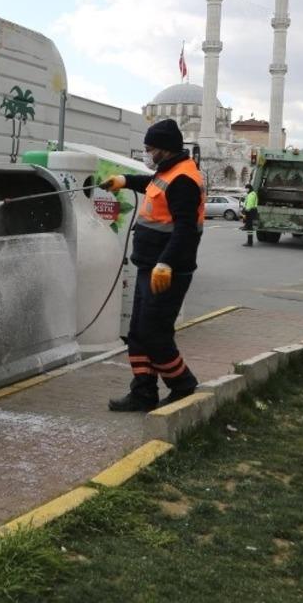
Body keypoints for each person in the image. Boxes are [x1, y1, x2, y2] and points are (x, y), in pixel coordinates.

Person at [99, 119, 203, 411]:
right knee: (138, 333)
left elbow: (185, 229)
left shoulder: (184, 180)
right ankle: (143, 392)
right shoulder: (168, 172)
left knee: (154, 334)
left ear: (165, 149)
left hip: (167, 272)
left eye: (150, 149)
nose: (147, 154)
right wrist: (124, 180)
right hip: (150, 267)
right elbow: (151, 184)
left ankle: (183, 385)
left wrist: (167, 263)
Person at [241, 183, 258, 247]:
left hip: (250, 211)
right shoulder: (250, 194)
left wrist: (245, 211)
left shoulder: (252, 194)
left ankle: (249, 242)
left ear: (249, 188)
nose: (246, 189)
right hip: (251, 211)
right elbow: (246, 202)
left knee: (249, 227)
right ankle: (249, 242)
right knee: (249, 227)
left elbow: (250, 203)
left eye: (247, 188)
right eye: (246, 188)